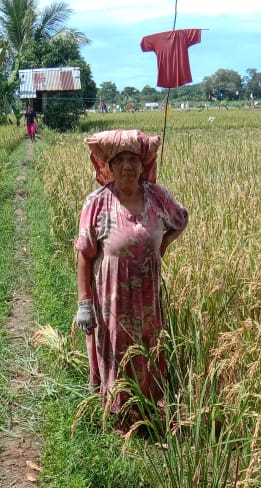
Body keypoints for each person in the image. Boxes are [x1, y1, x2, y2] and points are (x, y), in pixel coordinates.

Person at [74, 129, 189, 425]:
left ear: (142, 165)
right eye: (120, 160)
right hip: (112, 300)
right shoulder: (97, 202)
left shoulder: (157, 197)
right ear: (109, 167)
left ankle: (146, 409)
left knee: (148, 346)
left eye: (133, 159)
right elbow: (84, 254)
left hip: (148, 298)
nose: (127, 166)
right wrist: (84, 303)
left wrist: (163, 243)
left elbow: (181, 219)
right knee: (115, 346)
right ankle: (116, 412)